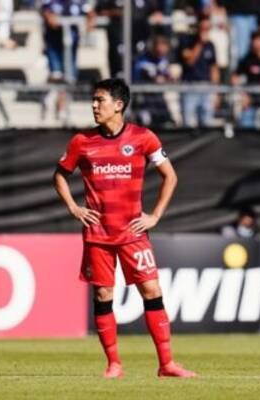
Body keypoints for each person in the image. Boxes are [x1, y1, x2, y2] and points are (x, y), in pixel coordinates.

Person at [53, 78, 196, 379]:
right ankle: (114, 364)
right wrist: (74, 208)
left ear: (118, 105)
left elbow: (170, 176)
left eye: (100, 100)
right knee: (103, 294)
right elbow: (60, 175)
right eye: (93, 100)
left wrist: (155, 216)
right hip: (98, 234)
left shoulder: (144, 138)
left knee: (152, 290)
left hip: (133, 233)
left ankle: (167, 364)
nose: (94, 106)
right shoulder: (81, 141)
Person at [179, 15, 220, 128]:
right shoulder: (187, 41)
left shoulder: (211, 45)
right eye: (203, 28)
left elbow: (214, 68)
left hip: (206, 87)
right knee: (188, 123)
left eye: (207, 28)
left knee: (207, 123)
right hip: (190, 86)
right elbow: (189, 61)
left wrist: (216, 92)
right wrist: (200, 43)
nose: (205, 31)